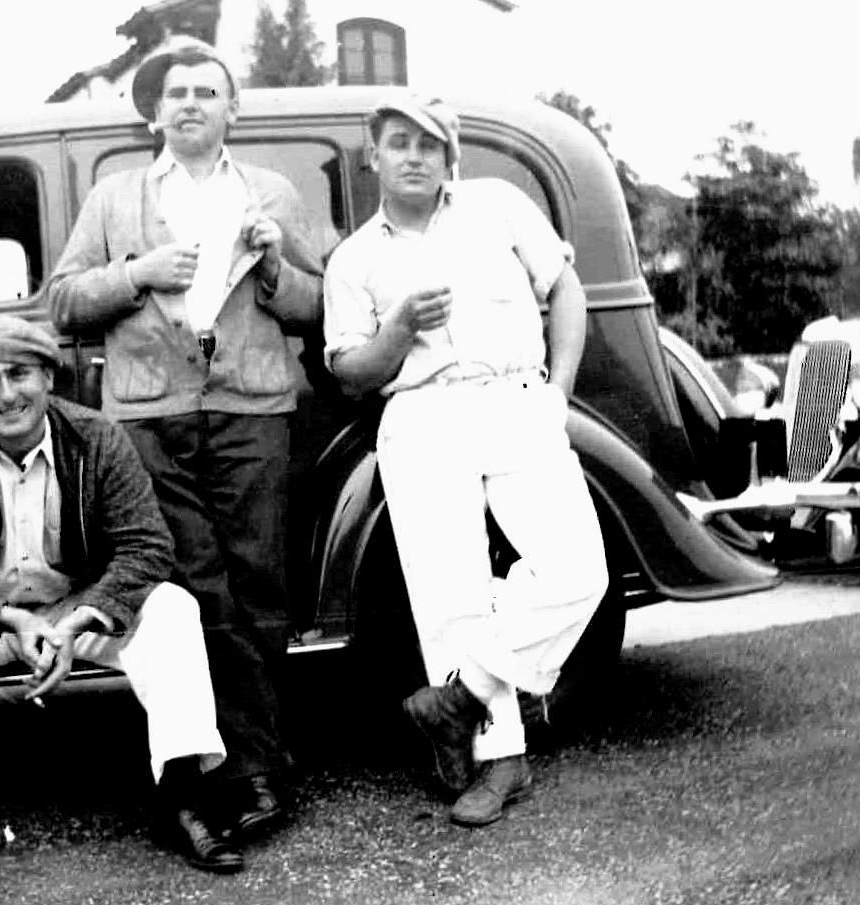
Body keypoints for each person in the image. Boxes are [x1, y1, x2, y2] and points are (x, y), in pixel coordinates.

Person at [45, 38, 324, 838]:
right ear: (154, 113)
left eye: (209, 91)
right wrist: (139, 273)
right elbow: (63, 304)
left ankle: (260, 769)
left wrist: (273, 270)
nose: (192, 103)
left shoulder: (270, 191)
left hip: (252, 407)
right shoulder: (114, 196)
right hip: (150, 416)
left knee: (260, 583)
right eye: (177, 94)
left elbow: (318, 307)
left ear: (233, 108)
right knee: (193, 585)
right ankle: (234, 771)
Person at [0, 314, 243, 876]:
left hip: (74, 610)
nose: (7, 394)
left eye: (20, 374)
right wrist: (6, 618)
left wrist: (81, 617)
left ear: (49, 378)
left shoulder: (97, 437)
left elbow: (148, 547)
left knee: (174, 609)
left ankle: (179, 799)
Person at [322, 93, 609, 827]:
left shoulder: (497, 204)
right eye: (398, 143)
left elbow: (564, 289)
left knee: (579, 572)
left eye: (430, 143)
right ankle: (500, 762)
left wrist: (561, 391)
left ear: (450, 155)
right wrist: (399, 329)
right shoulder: (355, 258)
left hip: (518, 399)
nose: (414, 155)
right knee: (449, 599)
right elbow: (353, 372)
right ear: (374, 154)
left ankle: (456, 698)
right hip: (421, 416)